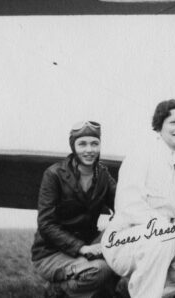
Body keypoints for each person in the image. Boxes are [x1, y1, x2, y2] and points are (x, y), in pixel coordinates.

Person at [102, 99, 175, 297]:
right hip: (124, 242)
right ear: (159, 127)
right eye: (173, 122)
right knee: (164, 238)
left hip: (168, 243)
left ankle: (144, 292)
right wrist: (171, 232)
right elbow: (129, 206)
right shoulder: (141, 157)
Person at [31, 120, 117, 297]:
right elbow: (46, 224)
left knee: (122, 258)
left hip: (88, 247)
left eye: (94, 143)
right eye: (82, 144)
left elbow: (125, 205)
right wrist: (82, 249)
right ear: (73, 146)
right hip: (50, 253)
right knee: (101, 271)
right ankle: (58, 290)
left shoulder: (103, 175)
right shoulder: (53, 174)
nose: (89, 150)